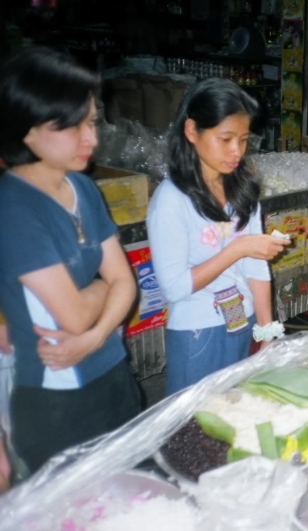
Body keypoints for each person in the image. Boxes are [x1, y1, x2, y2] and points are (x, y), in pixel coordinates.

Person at [0, 47, 142, 473]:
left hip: (114, 375)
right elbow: (76, 315)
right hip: (59, 402)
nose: (92, 139)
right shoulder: (15, 209)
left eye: (92, 122)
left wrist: (95, 336)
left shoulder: (82, 188)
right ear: (25, 130)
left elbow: (127, 283)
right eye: (71, 126)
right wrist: (102, 297)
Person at [147, 79, 290, 395]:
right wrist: (237, 249)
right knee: (194, 431)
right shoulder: (171, 200)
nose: (237, 151)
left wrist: (266, 331)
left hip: (243, 321)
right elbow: (175, 287)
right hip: (197, 332)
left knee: (232, 419)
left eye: (243, 139)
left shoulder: (241, 187)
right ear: (192, 131)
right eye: (225, 139)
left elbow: (256, 267)